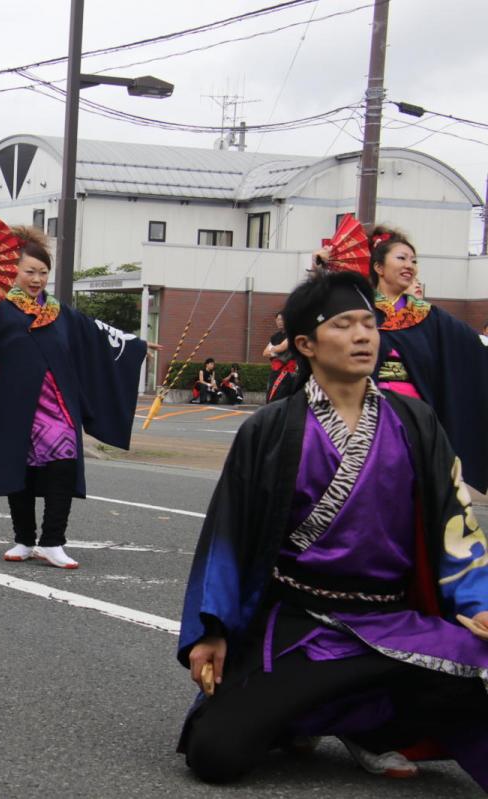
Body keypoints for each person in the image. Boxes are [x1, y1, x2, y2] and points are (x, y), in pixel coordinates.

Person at [177, 269, 488, 788]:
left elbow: (454, 521)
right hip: (302, 624)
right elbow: (228, 537)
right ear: (306, 344)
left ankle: (364, 722)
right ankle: (324, 713)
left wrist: (476, 603)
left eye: (369, 323)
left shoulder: (415, 420)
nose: (364, 336)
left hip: (394, 620)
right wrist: (211, 630)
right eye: (344, 324)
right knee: (216, 754)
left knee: (477, 665)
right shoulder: (271, 428)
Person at [0, 225, 151, 569]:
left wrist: (137, 345)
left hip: (58, 406)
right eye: (30, 271)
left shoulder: (62, 313)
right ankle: (24, 539)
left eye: (43, 272)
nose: (37, 278)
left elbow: (98, 333)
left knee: (64, 465)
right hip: (17, 404)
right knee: (20, 471)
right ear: (14, 271)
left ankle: (53, 541)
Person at [316, 226, 488, 492]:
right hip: (363, 414)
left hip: (416, 419)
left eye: (414, 260)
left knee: (414, 494)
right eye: (402, 258)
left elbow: (474, 349)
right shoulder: (358, 309)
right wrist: (321, 272)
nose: (410, 265)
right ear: (379, 268)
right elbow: (317, 325)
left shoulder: (429, 316)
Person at [262, 312, 296, 401]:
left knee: (278, 396)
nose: (280, 322)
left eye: (282, 319)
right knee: (270, 395)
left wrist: (273, 350)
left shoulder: (292, 334)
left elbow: (282, 347)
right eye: (278, 319)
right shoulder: (274, 336)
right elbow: (265, 353)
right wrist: (276, 350)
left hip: (287, 371)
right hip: (275, 370)